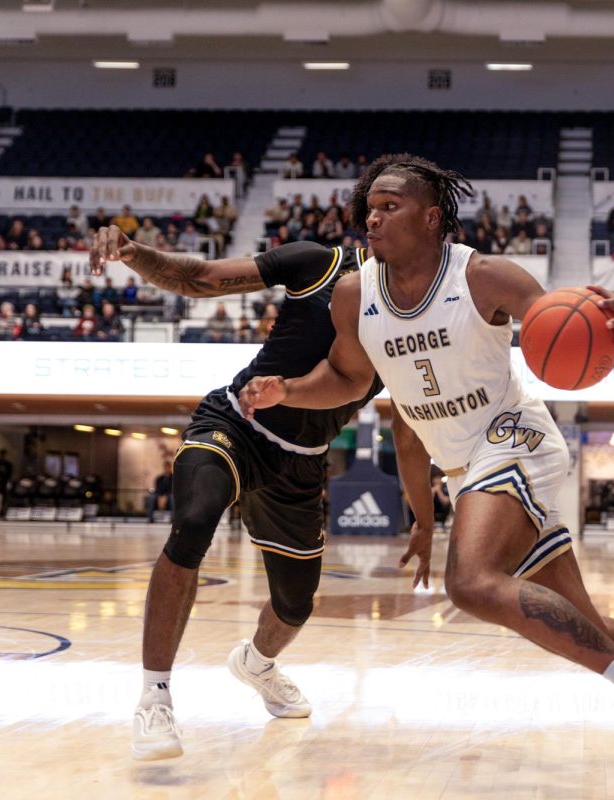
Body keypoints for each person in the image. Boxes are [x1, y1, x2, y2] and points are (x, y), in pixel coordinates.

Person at [239, 154, 614, 765]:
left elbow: (572, 322)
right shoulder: (355, 295)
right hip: (469, 472)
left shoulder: (484, 277)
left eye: (391, 206)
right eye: (370, 208)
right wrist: (289, 391)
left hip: (515, 436)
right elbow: (352, 383)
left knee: (469, 584)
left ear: (432, 217)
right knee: (583, 624)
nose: (374, 217)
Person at [90, 215, 382, 762]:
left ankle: (257, 664)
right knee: (195, 520)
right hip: (236, 422)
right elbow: (200, 276)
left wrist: (424, 511)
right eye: (375, 209)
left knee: (294, 607)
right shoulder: (322, 265)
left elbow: (411, 426)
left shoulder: (416, 322)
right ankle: (155, 696)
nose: (377, 220)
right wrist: (135, 253)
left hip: (301, 460)